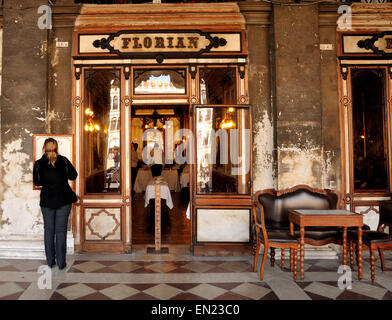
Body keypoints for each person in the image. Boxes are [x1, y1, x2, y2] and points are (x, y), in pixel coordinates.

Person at [33, 138, 78, 270]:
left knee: (48, 231)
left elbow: (38, 182)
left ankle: (50, 262)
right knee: (61, 231)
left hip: (47, 200)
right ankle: (61, 263)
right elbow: (73, 176)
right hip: (64, 200)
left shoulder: (39, 164)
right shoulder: (63, 160)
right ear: (56, 148)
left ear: (44, 148)